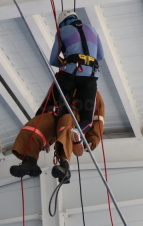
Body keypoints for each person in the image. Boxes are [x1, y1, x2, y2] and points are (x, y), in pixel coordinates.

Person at [11, 10, 103, 183]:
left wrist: (68, 60)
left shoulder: (63, 32)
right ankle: (32, 160)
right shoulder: (93, 31)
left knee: (59, 122)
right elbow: (101, 56)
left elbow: (53, 60)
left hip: (67, 77)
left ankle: (61, 164)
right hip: (89, 78)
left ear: (61, 23)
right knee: (76, 120)